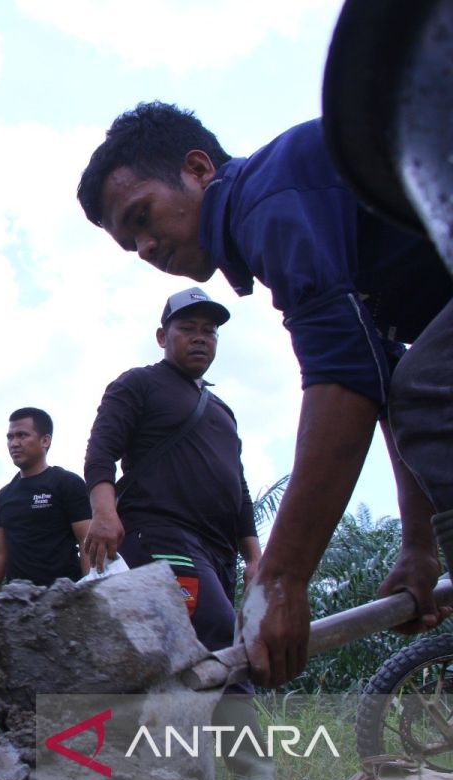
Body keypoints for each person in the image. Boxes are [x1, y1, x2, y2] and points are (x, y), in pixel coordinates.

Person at [76, 101, 453, 687]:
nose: (146, 248)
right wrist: (419, 546)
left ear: (199, 169)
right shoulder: (138, 385)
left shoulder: (267, 197)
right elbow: (386, 382)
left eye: (144, 216)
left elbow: (348, 377)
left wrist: (280, 577)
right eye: (132, 245)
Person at [83, 288, 273, 780]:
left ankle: (208, 774)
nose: (200, 338)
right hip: (158, 532)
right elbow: (100, 454)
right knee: (215, 626)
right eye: (188, 328)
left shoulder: (222, 411)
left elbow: (239, 487)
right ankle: (248, 772)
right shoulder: (138, 385)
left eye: (210, 331)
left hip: (219, 550)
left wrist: (254, 554)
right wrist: (104, 512)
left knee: (214, 653)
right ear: (163, 335)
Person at [0, 408, 91, 641]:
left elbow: (87, 543)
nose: (14, 443)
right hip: (19, 608)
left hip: (63, 603)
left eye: (22, 435)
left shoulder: (66, 483)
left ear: (45, 440)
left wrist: (90, 594)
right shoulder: (5, 496)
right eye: (10, 437)